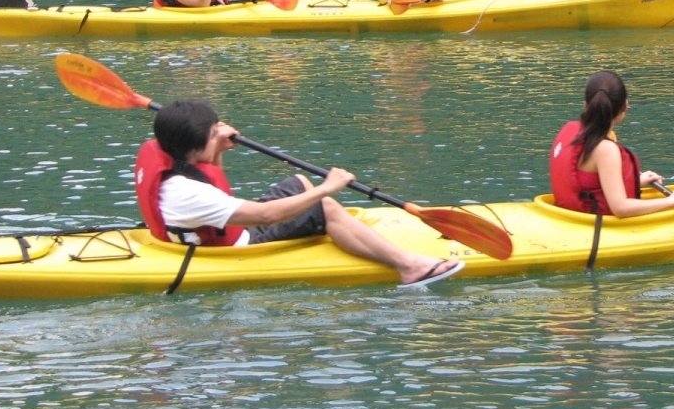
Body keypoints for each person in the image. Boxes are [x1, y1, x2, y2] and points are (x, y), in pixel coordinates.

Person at [135, 99, 464, 289]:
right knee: (324, 205)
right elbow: (265, 216)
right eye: (213, 132)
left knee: (298, 182)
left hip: (209, 227)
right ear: (194, 146)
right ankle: (408, 266)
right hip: (236, 244)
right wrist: (327, 187)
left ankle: (337, 221)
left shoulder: (167, 152)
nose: (220, 131)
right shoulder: (184, 192)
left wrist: (218, 147)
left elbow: (211, 179)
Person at [549, 70, 674, 217]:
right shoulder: (606, 150)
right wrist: (671, 201)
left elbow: (589, 182)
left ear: (586, 105)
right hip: (593, 227)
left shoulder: (575, 133)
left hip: (567, 217)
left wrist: (636, 181)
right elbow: (620, 208)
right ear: (625, 106)